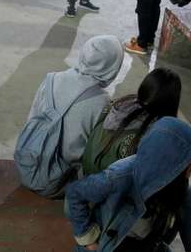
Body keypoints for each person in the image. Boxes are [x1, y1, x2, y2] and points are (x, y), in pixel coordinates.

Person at [65, 117, 191, 252]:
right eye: (187, 162)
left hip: (148, 245)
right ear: (166, 163)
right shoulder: (120, 177)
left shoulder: (182, 192)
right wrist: (88, 239)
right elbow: (75, 193)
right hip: (109, 245)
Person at [17, 35, 124, 197]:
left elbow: (31, 120)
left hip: (27, 164)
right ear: (112, 68)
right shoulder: (103, 103)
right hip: (60, 181)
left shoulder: (51, 79)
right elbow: (92, 156)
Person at [82, 68, 182, 176]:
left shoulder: (120, 103)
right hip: (108, 187)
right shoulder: (156, 133)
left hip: (87, 172)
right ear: (172, 103)